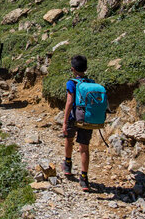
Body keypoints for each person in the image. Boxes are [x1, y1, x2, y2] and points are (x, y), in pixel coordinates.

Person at [62, 55, 93, 192]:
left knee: (69, 139)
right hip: (87, 118)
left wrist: (64, 121)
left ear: (72, 69)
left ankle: (68, 164)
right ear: (85, 68)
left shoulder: (72, 83)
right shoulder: (91, 83)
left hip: (74, 117)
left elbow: (69, 102)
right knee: (84, 148)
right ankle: (84, 178)